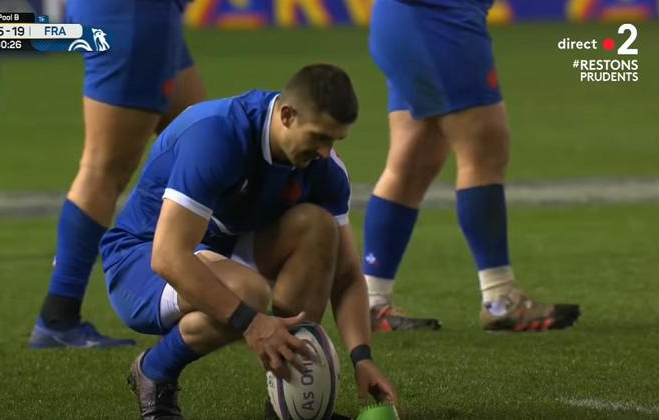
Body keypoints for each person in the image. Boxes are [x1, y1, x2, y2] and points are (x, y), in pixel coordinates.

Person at [99, 64, 397, 419]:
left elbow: (347, 277)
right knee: (247, 294)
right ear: (286, 115)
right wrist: (254, 323)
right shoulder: (217, 135)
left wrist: (362, 359)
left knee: (317, 227)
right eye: (318, 137)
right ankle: (155, 371)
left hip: (221, 249)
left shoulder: (325, 169)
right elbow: (168, 257)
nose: (325, 151)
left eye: (334, 140)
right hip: (140, 259)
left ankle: (286, 404)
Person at [363, 0, 581, 332]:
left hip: (400, 21)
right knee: (484, 151)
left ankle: (370, 301)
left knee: (412, 163)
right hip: (442, 21)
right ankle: (500, 298)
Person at [28, 0, 207, 348]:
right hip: (132, 13)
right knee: (103, 169)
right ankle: (58, 317)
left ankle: (218, 285)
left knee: (198, 141)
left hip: (146, 13)